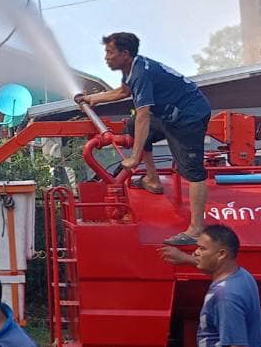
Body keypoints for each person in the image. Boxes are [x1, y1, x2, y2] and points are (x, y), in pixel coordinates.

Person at [76, 31, 213, 245]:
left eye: (110, 52)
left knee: (193, 171)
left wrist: (134, 157)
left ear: (125, 53)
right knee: (131, 125)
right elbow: (122, 92)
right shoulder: (131, 69)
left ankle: (196, 230)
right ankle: (152, 179)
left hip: (189, 116)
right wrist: (92, 98)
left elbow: (143, 115)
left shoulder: (141, 74)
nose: (106, 57)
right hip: (170, 113)